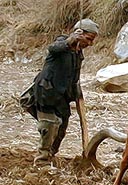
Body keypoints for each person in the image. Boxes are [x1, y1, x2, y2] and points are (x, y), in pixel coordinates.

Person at [32, 18, 99, 163]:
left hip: (62, 96)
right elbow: (53, 48)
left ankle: (51, 154)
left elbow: (75, 76)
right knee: (49, 126)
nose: (90, 43)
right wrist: (70, 41)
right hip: (47, 93)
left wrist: (77, 94)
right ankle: (42, 160)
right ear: (79, 34)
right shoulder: (63, 43)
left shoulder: (78, 52)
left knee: (62, 128)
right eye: (89, 39)